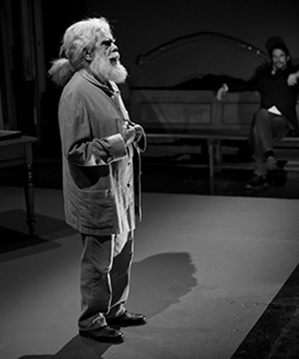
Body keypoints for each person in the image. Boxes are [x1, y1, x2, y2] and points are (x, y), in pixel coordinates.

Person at [48, 17, 147, 344]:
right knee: (98, 262)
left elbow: (115, 127)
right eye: (106, 43)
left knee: (122, 255)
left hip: (120, 189)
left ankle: (115, 309)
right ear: (88, 53)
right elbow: (76, 151)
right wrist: (121, 143)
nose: (115, 47)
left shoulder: (108, 82)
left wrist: (131, 133)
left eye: (112, 40)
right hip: (97, 194)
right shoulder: (76, 92)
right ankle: (92, 320)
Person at [216, 41, 299, 189]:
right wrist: (225, 87)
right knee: (261, 115)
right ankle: (267, 159)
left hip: (283, 123)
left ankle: (261, 172)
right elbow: (247, 85)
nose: (278, 59)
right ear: (271, 59)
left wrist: (298, 74)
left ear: (287, 58)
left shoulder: (293, 73)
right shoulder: (263, 75)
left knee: (259, 123)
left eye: (281, 56)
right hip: (264, 123)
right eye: (275, 57)